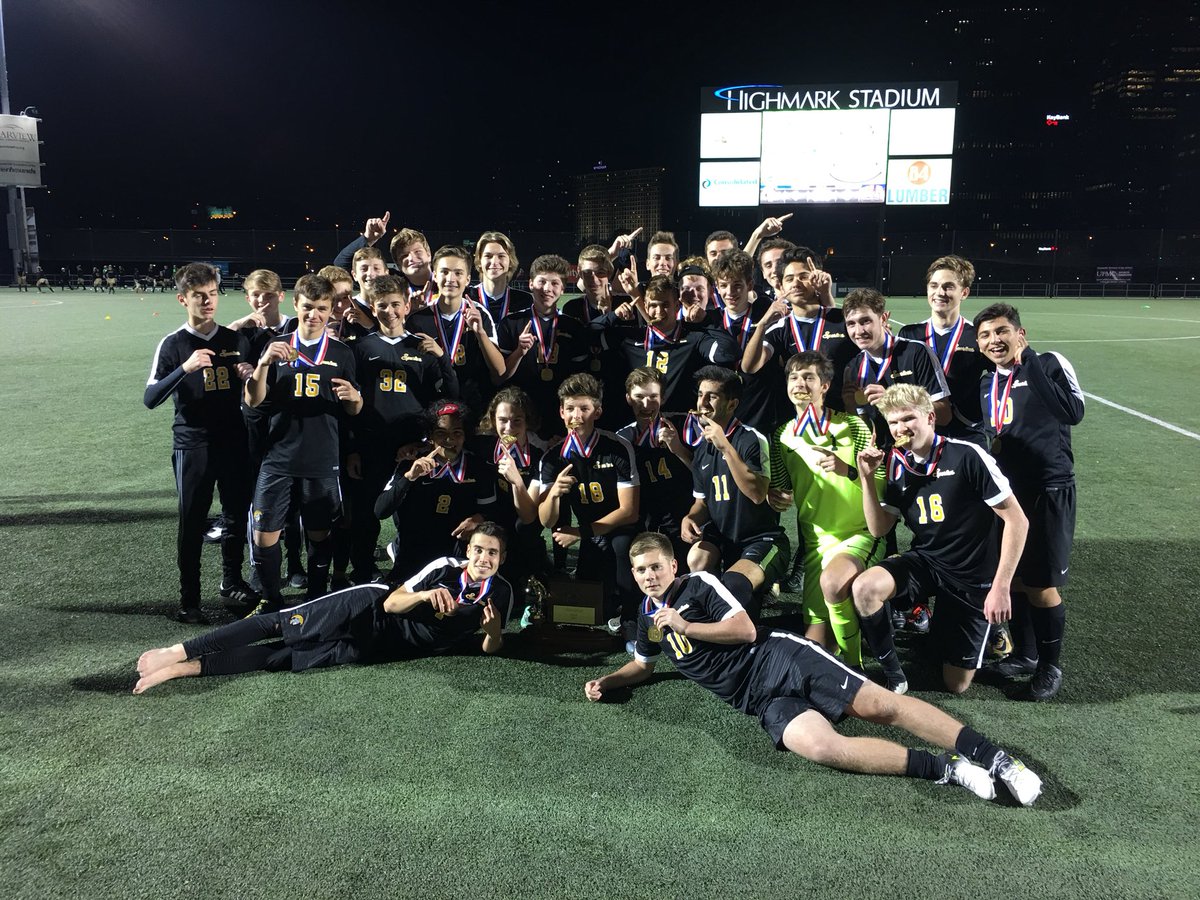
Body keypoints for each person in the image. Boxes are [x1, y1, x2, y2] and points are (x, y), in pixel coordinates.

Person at [583, 532, 1042, 806]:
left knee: (882, 707)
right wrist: (610, 680)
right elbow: (642, 665)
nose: (649, 576)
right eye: (641, 570)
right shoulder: (648, 618)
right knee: (823, 748)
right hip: (759, 700)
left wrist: (685, 623)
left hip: (778, 658)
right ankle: (946, 769)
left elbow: (744, 630)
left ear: (673, 564)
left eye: (655, 567)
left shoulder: (698, 586)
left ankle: (999, 760)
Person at [133, 523, 513, 694]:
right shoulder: (445, 567)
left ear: (501, 558)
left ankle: (186, 669)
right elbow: (393, 601)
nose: (483, 558)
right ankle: (178, 650)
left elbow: (490, 647)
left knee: (282, 658)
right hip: (366, 607)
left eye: (492, 553)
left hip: (379, 648)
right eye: (478, 550)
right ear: (469, 551)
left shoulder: (503, 593)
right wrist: (424, 597)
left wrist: (494, 633)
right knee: (280, 625)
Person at [852, 385, 1028, 695]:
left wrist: (1001, 588)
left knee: (955, 684)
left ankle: (977, 633)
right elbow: (879, 528)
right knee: (865, 588)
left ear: (931, 417)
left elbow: (1017, 520)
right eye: (893, 423)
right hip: (927, 560)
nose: (901, 428)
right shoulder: (896, 463)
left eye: (908, 418)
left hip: (971, 576)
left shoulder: (967, 455)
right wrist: (867, 478)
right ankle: (895, 676)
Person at [975, 303, 1084, 701]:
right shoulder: (988, 383)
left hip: (1049, 488)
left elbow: (1073, 412)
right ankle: (1026, 654)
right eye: (985, 335)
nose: (994, 340)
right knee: (1017, 578)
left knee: (1041, 584)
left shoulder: (1049, 363)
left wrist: (1031, 363)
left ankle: (1051, 666)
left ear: (1021, 333)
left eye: (1002, 331)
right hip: (1010, 492)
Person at [243, 273, 363, 611]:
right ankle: (271, 598)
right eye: (308, 307)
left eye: (322, 309)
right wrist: (264, 364)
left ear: (330, 311)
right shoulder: (275, 346)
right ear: (295, 305)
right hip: (278, 456)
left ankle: (315, 595)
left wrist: (354, 396)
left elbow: (355, 408)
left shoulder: (341, 352)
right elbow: (253, 401)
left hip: (323, 458)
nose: (314, 315)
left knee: (319, 533)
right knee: (264, 533)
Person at [144, 262, 256, 623]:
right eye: (198, 297)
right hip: (192, 444)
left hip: (234, 441)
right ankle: (188, 598)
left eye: (211, 294)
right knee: (192, 520)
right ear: (182, 299)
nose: (207, 302)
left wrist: (252, 375)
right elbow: (150, 398)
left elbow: (257, 393)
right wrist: (185, 369)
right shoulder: (174, 344)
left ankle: (231, 581)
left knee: (237, 515)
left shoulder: (236, 340)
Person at [770, 352, 882, 668]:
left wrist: (848, 470)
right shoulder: (782, 435)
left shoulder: (853, 425)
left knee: (834, 584)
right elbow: (781, 490)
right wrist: (773, 495)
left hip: (857, 536)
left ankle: (855, 669)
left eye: (809, 377)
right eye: (794, 377)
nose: (800, 383)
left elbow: (883, 487)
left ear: (825, 386)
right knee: (814, 650)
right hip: (816, 545)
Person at [348, 274, 458, 584]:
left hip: (413, 444)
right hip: (372, 443)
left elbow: (449, 395)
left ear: (407, 306)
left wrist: (442, 357)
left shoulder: (422, 346)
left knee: (410, 511)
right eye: (382, 306)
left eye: (396, 304)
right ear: (373, 307)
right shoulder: (361, 347)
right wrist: (353, 447)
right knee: (367, 512)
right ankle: (363, 569)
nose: (390, 311)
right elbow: (352, 405)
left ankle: (409, 564)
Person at [682, 366, 789, 618]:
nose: (703, 402)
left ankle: (755, 590)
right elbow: (702, 503)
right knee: (697, 560)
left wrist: (726, 448)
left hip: (761, 538)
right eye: (700, 395)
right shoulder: (701, 449)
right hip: (723, 538)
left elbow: (756, 494)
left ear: (732, 405)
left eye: (713, 396)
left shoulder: (751, 438)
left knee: (735, 586)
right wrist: (691, 518)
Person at [536, 373, 640, 624]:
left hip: (619, 530)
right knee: (595, 606)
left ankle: (631, 618)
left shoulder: (617, 447)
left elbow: (629, 511)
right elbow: (547, 521)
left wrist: (581, 532)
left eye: (585, 408)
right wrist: (553, 494)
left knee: (621, 547)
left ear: (598, 411)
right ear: (561, 412)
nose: (577, 416)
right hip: (588, 535)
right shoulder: (552, 457)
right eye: (570, 408)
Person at [375, 400, 496, 580]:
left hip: (457, 550)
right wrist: (410, 477)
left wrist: (479, 519)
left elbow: (492, 511)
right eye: (441, 433)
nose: (450, 440)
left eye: (457, 433)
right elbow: (380, 510)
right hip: (414, 549)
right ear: (430, 436)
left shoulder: (477, 467)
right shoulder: (411, 462)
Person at [840, 288, 953, 446]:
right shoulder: (852, 368)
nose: (858, 331)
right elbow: (862, 428)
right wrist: (850, 407)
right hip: (881, 459)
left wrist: (895, 402)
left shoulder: (916, 352)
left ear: (883, 318)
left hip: (919, 455)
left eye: (865, 321)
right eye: (851, 324)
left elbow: (944, 414)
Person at [407, 245, 505, 414]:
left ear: (467, 279)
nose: (450, 278)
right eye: (444, 272)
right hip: (432, 409)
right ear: (435, 276)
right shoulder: (418, 320)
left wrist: (480, 333)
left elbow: (499, 371)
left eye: (458, 273)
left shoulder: (479, 314)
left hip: (473, 408)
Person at [898, 255, 987, 430]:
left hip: (965, 430)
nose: (940, 292)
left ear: (964, 293)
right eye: (934, 286)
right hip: (920, 430)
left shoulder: (978, 335)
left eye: (948, 287)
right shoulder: (909, 333)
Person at [616, 368, 694, 564]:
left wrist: (677, 449)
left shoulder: (683, 425)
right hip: (644, 521)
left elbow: (704, 474)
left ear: (664, 398)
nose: (646, 404)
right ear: (628, 398)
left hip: (684, 517)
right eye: (639, 397)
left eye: (653, 396)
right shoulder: (622, 439)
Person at [496, 253, 589, 416]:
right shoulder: (510, 323)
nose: (547, 288)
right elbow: (499, 377)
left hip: (561, 414)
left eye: (554, 283)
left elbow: (580, 380)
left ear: (562, 289)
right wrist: (519, 352)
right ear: (531, 284)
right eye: (542, 281)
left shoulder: (574, 327)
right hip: (520, 413)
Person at [467, 230, 532, 323]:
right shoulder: (467, 297)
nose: (494, 262)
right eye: (488, 256)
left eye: (501, 256)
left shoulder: (524, 300)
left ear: (510, 261)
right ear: (479, 261)